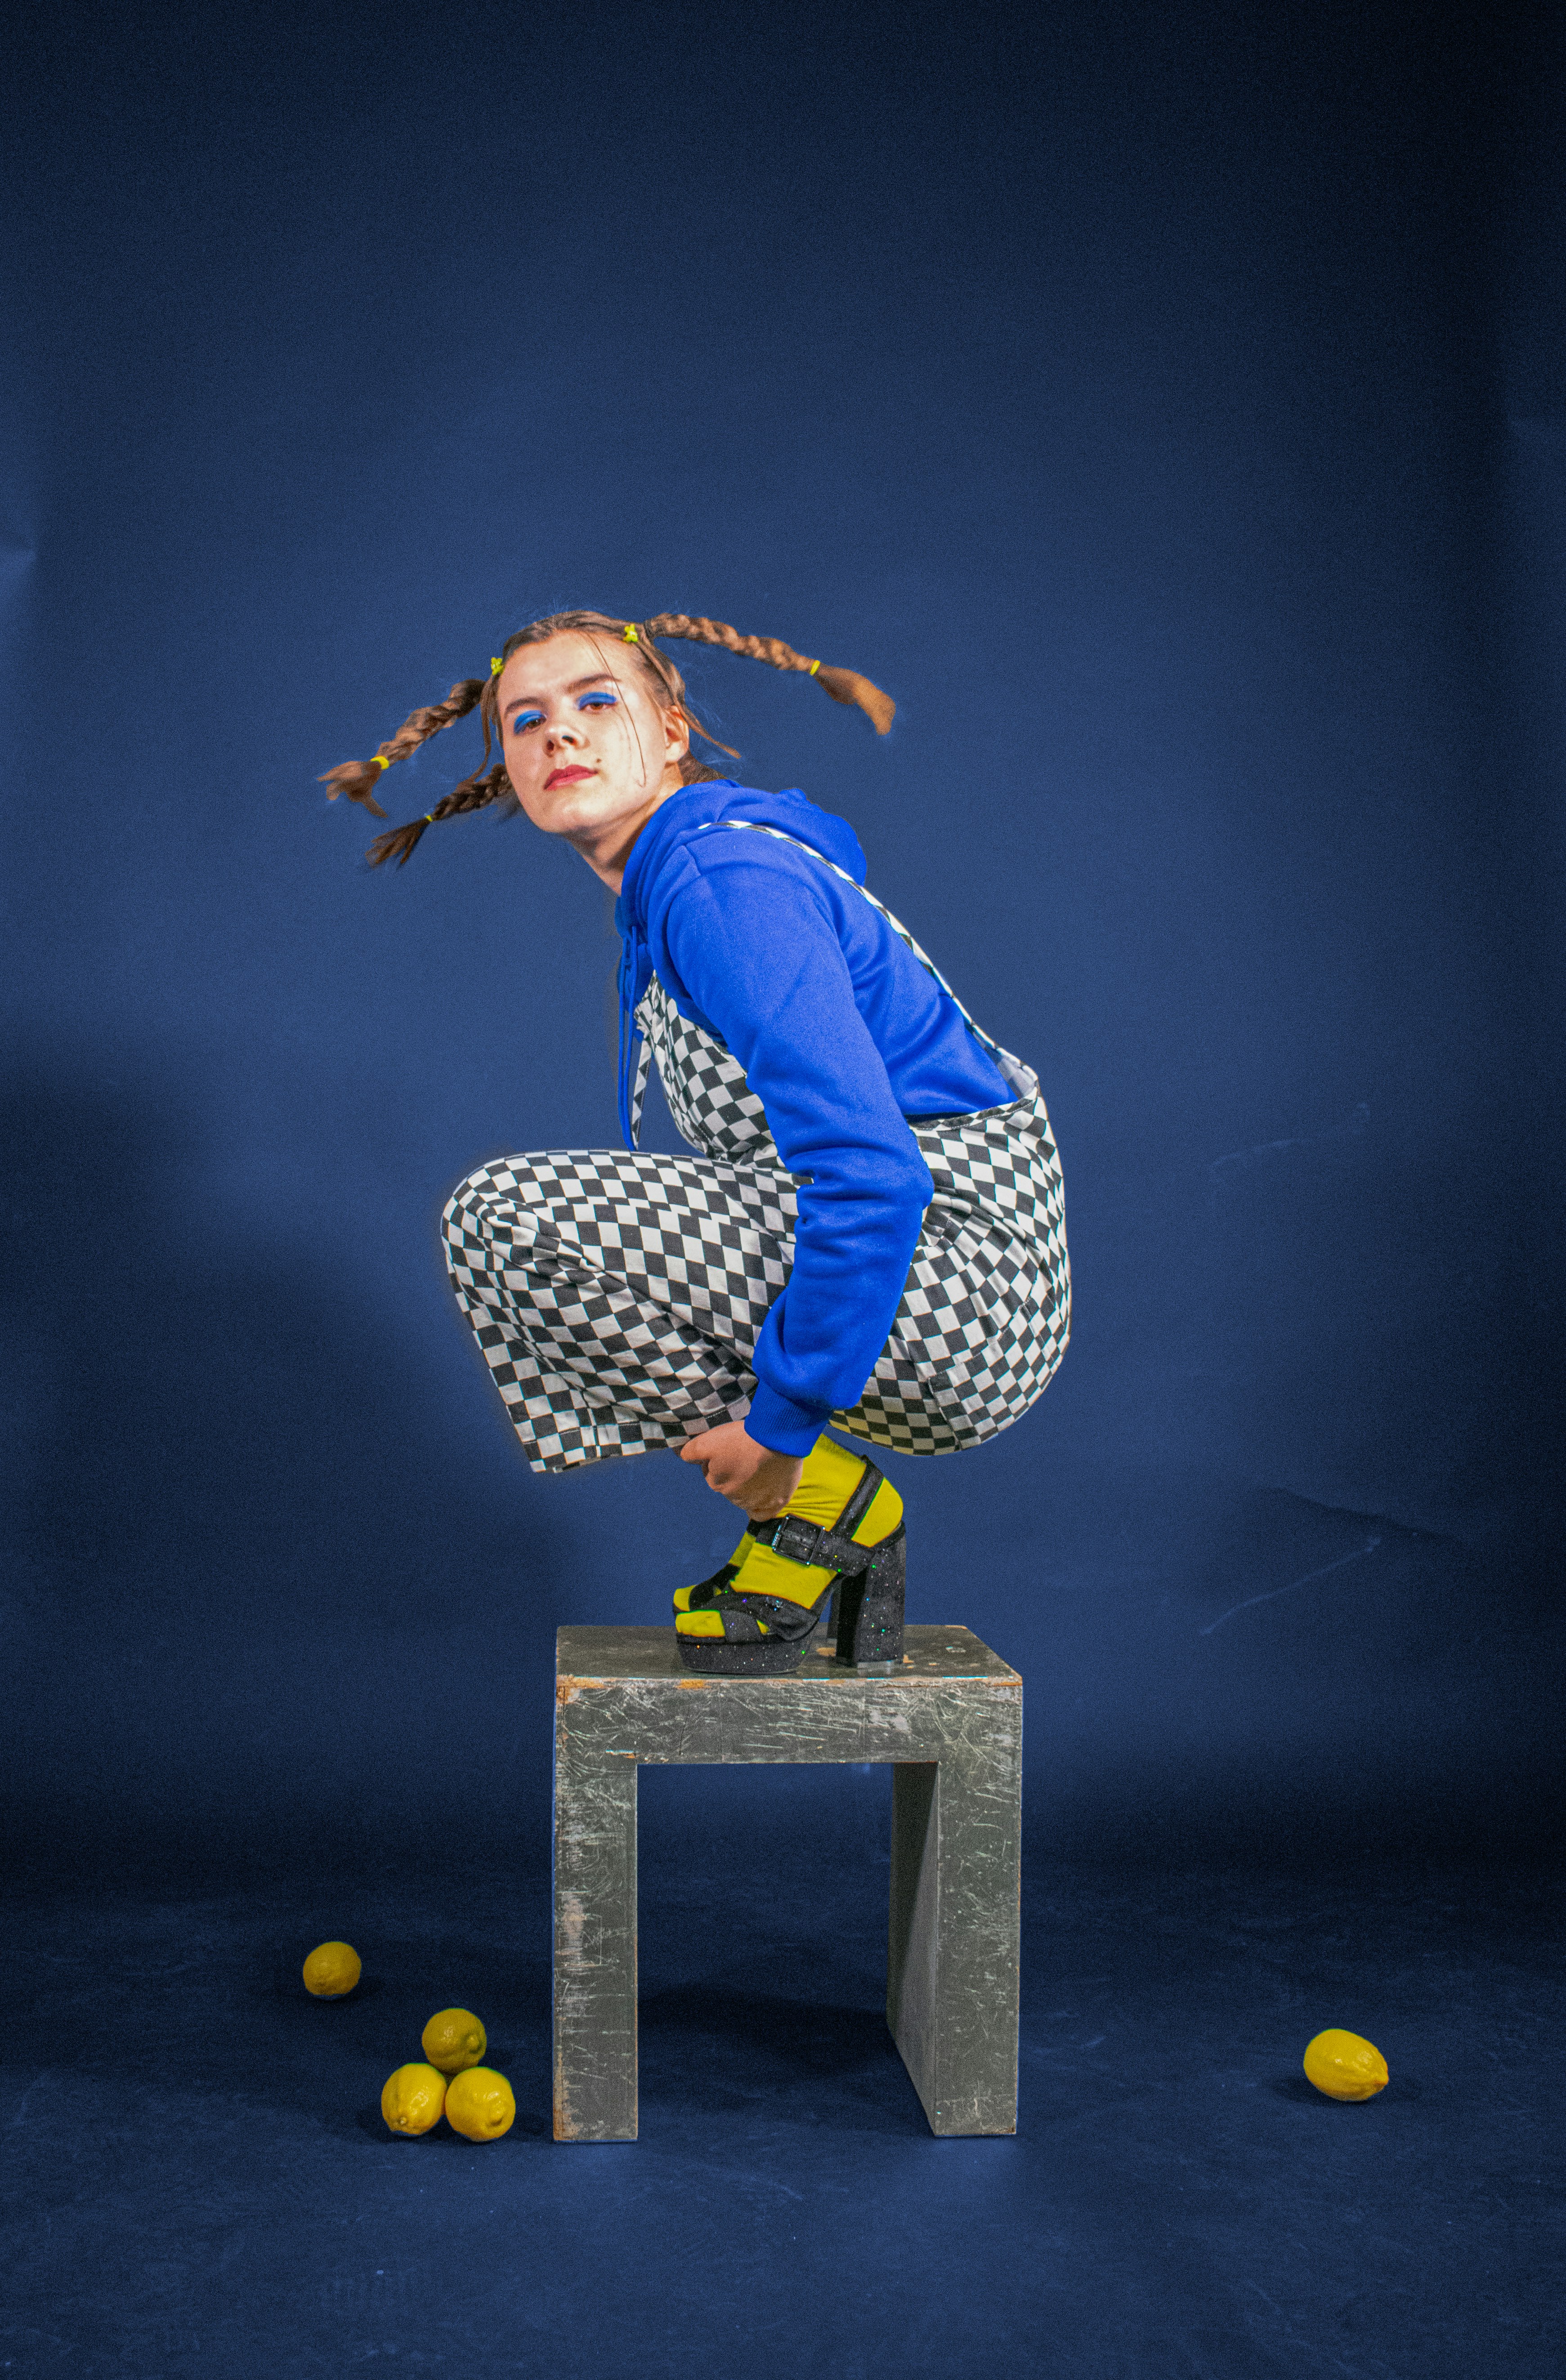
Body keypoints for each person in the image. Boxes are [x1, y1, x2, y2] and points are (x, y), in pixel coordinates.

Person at [323, 611, 1069, 1674]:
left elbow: (870, 1172)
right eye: (524, 720)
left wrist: (781, 1423)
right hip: (936, 1277)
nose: (556, 736)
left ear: (671, 730)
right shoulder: (694, 873)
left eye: (593, 702)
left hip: (960, 1280)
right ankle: (815, 1512)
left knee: (507, 1217)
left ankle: (814, 1501)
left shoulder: (723, 888)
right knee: (545, 1227)